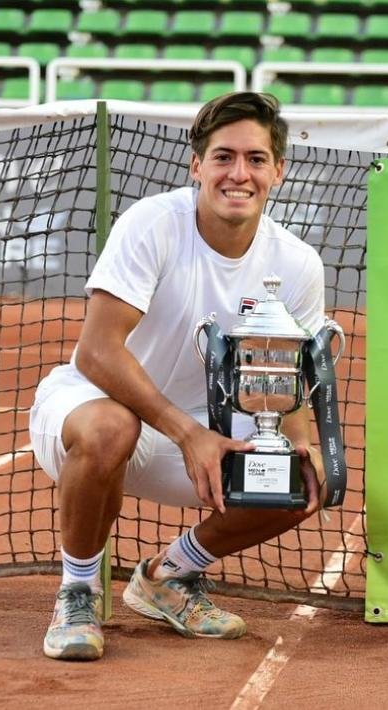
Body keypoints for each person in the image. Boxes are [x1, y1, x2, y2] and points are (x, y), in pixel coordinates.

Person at [28, 92, 329, 661]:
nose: (239, 173)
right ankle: (79, 590)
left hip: (200, 434)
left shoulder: (297, 264)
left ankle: (169, 576)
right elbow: (95, 353)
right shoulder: (153, 224)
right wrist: (186, 433)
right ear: (197, 166)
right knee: (110, 427)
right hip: (91, 410)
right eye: (223, 157)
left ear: (278, 171)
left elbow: (288, 381)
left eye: (256, 159)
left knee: (299, 483)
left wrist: (301, 448)